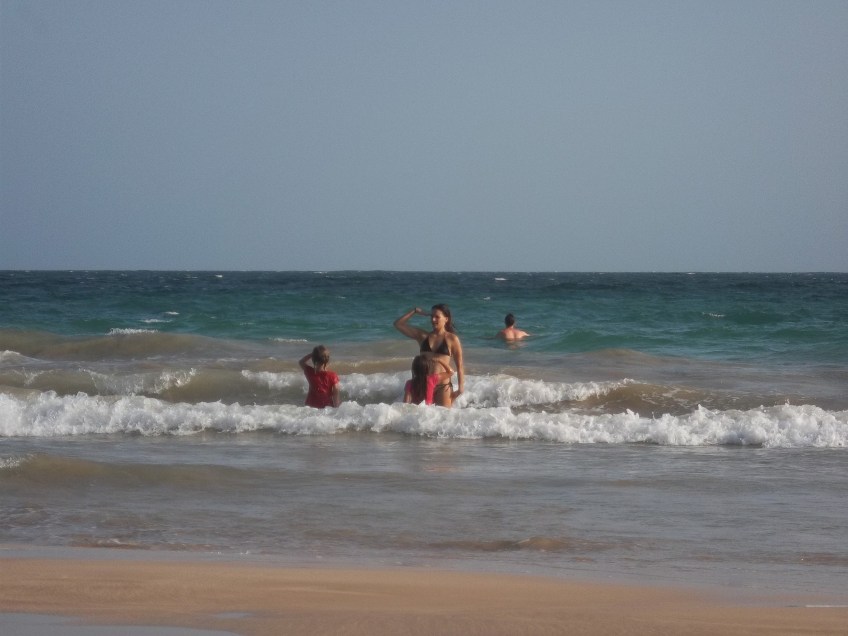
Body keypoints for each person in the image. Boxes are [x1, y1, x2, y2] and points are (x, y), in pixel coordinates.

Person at [394, 304, 464, 407]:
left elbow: (459, 365)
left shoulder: (452, 339)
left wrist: (461, 388)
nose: (433, 319)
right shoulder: (423, 336)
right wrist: (414, 311)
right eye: (431, 316)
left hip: (443, 387)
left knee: (443, 415)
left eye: (437, 317)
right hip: (423, 385)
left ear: (446, 319)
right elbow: (398, 324)